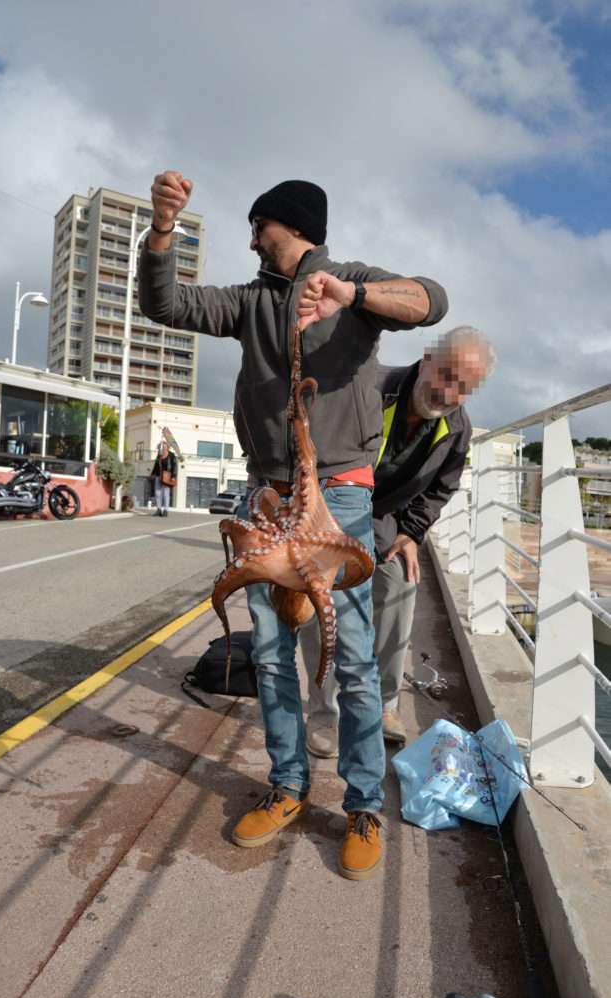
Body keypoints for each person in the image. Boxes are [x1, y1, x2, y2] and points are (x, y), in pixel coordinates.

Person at [139, 171, 448, 880]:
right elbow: (165, 303)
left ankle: (365, 803)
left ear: (294, 226)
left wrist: (354, 296)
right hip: (266, 500)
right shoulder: (250, 302)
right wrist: (162, 229)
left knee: (356, 661)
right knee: (274, 654)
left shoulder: (354, 283)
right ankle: (288, 786)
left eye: (261, 228)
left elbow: (431, 299)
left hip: (338, 495)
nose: (252, 239)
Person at [301, 326, 495, 756]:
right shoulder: (369, 387)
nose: (447, 391)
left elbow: (441, 488)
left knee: (401, 583)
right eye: (445, 374)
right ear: (427, 358)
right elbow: (310, 441)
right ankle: (323, 712)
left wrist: (411, 532)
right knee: (320, 599)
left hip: (383, 517)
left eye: (463, 387)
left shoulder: (457, 428)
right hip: (329, 505)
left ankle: (385, 705)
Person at [150, 439, 177, 516]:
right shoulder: (159, 455)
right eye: (162, 447)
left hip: (167, 476)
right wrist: (152, 474)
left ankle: (165, 510)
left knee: (166, 493)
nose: (163, 448)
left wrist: (173, 476)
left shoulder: (171, 455)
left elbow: (174, 466)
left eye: (165, 446)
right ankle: (159, 509)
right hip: (159, 476)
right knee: (157, 493)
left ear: (168, 447)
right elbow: (156, 465)